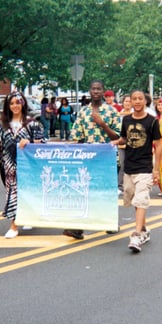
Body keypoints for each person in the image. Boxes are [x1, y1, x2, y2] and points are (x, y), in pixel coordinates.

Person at [0, 93, 46, 238]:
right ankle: (14, 225)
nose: (15, 106)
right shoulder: (3, 125)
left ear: (23, 104)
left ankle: (26, 217)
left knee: (26, 192)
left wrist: (29, 143)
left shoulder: (32, 123)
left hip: (28, 167)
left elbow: (41, 145)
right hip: (8, 165)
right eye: (12, 103)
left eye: (17, 102)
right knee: (13, 193)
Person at [64, 79, 121, 240]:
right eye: (93, 89)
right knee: (84, 192)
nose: (96, 92)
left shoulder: (111, 111)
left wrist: (103, 125)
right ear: (89, 91)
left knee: (105, 192)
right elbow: (76, 136)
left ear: (103, 91)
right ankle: (77, 228)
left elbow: (118, 136)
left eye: (99, 89)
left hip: (107, 158)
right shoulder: (83, 112)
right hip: (87, 159)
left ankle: (109, 222)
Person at [111, 89, 162, 252]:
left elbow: (159, 144)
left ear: (145, 101)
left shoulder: (152, 121)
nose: (138, 101)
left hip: (145, 168)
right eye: (134, 99)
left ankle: (136, 234)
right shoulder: (126, 120)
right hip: (129, 167)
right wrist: (114, 142)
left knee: (141, 199)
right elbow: (124, 139)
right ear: (130, 102)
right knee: (133, 198)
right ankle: (144, 229)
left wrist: (156, 169)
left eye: (140, 98)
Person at [117, 94, 133, 193]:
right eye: (126, 101)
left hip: (133, 144)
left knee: (132, 164)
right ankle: (120, 186)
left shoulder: (135, 114)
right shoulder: (119, 115)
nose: (127, 103)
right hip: (121, 143)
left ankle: (131, 185)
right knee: (122, 164)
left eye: (129, 101)